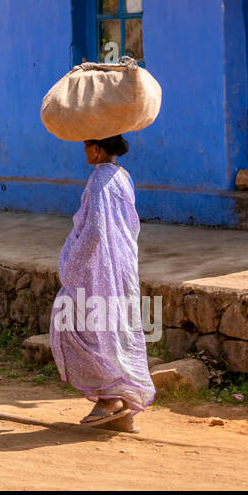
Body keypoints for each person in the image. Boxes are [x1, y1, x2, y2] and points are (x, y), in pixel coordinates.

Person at [49, 134, 155, 433]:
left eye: (85, 146)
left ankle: (109, 399)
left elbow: (95, 230)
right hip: (123, 265)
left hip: (99, 267)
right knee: (114, 330)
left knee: (75, 329)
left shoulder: (98, 180)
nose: (84, 152)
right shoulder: (123, 176)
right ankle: (122, 413)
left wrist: (72, 266)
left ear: (96, 149)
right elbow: (131, 224)